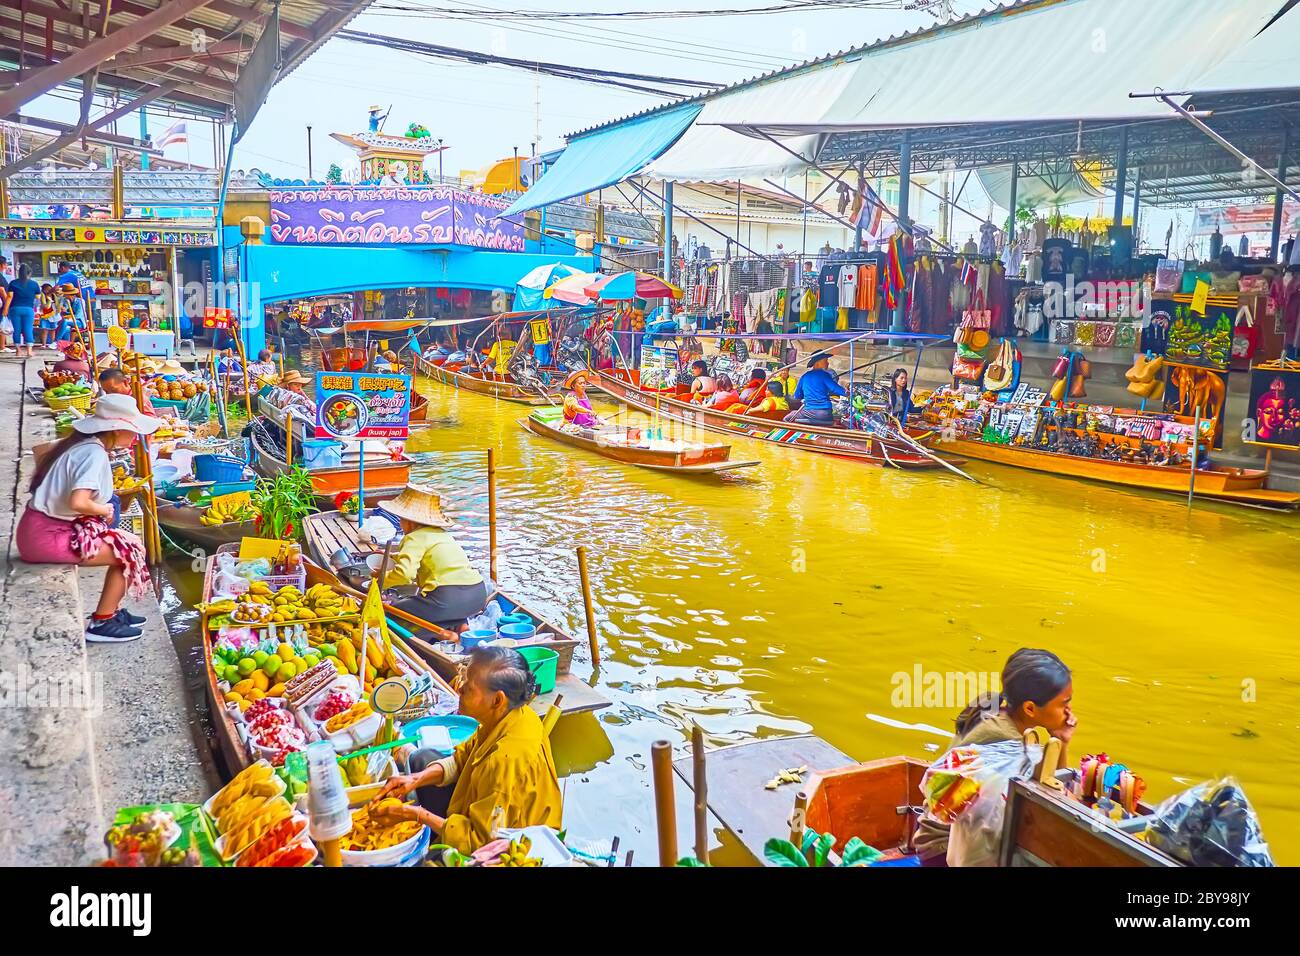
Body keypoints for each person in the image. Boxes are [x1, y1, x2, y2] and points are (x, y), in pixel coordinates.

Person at [371, 645, 563, 854]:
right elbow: (462, 758)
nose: (459, 689)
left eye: (469, 688)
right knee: (422, 758)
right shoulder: (514, 715)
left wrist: (415, 814)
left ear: (497, 700)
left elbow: (480, 840)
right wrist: (415, 779)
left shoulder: (503, 760)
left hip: (510, 844)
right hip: (488, 813)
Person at [16, 394, 160, 642]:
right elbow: (79, 502)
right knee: (130, 551)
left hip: (40, 529)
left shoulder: (82, 445)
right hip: (45, 537)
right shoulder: (93, 454)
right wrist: (104, 510)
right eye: (133, 430)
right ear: (116, 429)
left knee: (130, 542)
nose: (136, 436)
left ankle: (111, 611)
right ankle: (102, 623)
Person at [914, 648, 1075, 866]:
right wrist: (1061, 742)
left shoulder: (993, 710)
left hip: (933, 836)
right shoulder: (1012, 746)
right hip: (946, 848)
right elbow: (1054, 797)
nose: (1069, 710)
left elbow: (1051, 782)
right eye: (1064, 703)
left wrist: (1061, 740)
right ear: (1030, 708)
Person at [376, 484, 488, 631]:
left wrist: (380, 581)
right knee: (437, 612)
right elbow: (427, 558)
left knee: (391, 611)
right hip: (477, 596)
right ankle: (459, 626)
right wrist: (392, 557)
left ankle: (448, 630)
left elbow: (405, 574)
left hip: (447, 599)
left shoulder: (413, 537)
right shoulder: (442, 534)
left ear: (409, 521)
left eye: (401, 520)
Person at [783, 353, 845, 425]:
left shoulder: (805, 376)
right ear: (817, 363)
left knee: (787, 418)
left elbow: (797, 396)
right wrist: (849, 393)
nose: (828, 363)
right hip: (826, 414)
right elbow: (835, 389)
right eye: (825, 361)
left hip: (810, 412)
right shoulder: (825, 375)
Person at [7, 263, 41, 358]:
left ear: (19, 272)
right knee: (28, 329)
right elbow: (38, 297)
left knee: (16, 330)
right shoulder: (34, 284)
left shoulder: (13, 283)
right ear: (29, 273)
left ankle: (18, 351)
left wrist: (5, 310)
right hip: (28, 309)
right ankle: (29, 351)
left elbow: (9, 296)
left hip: (15, 309)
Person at [37, 283, 58, 349]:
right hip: (44, 315)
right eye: (47, 289)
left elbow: (57, 304)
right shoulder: (42, 296)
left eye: (50, 289)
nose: (49, 291)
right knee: (44, 330)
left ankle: (53, 343)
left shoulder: (54, 295)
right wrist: (49, 300)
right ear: (43, 290)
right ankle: (44, 344)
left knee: (53, 330)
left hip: (53, 315)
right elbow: (46, 306)